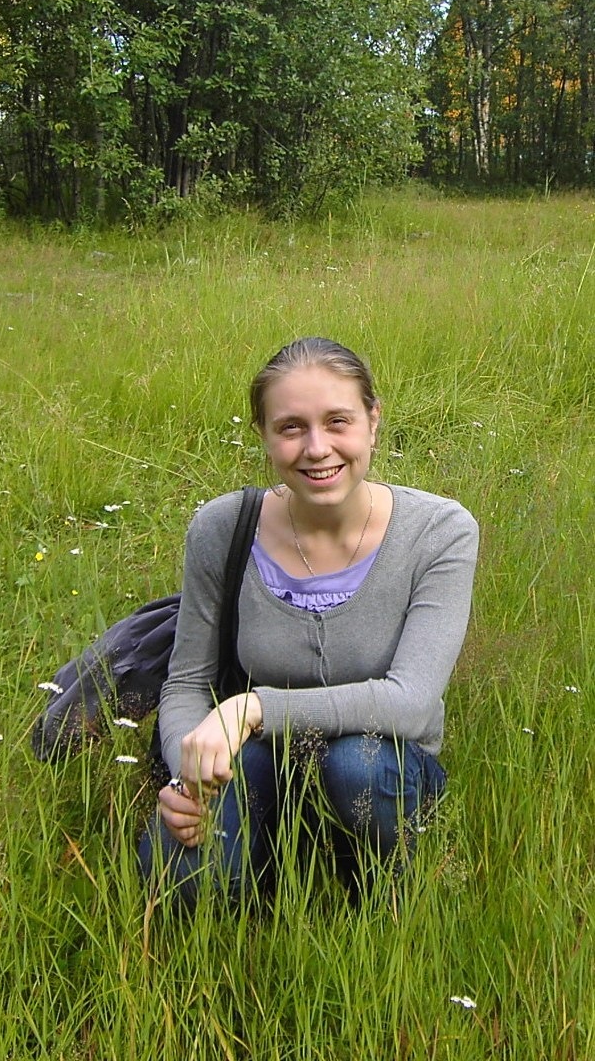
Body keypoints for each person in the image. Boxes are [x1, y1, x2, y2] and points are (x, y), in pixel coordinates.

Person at [138, 337, 479, 905]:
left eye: (338, 421)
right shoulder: (223, 527)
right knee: (184, 884)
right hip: (259, 761)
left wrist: (252, 708)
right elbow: (187, 682)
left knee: (355, 766)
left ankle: (385, 891)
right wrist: (188, 772)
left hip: (379, 768)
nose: (317, 448)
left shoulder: (439, 532)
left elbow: (411, 703)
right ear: (264, 435)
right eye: (291, 427)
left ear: (373, 421)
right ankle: (263, 880)